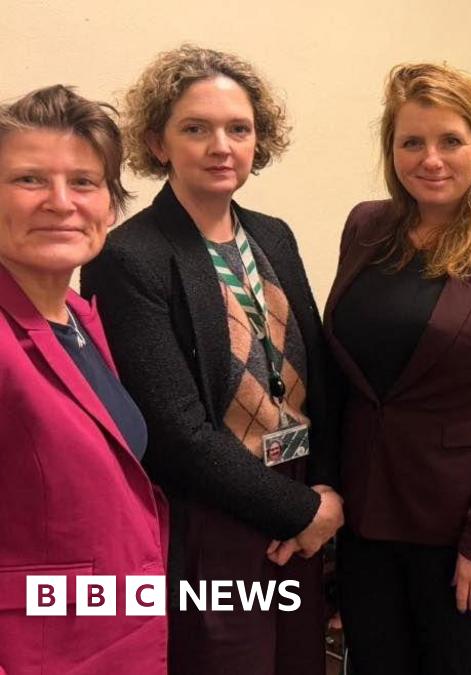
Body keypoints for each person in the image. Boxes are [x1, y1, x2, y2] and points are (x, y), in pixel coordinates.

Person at [80, 46, 340, 675]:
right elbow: (175, 434)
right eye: (196, 128)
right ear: (158, 143)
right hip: (213, 521)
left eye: (238, 129)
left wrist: (326, 496)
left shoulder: (273, 234)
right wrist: (307, 514)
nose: (220, 145)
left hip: (301, 501)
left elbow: (321, 378)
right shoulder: (128, 257)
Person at [325, 62, 471, 674]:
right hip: (363, 516)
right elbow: (340, 373)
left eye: (450, 140)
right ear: (392, 150)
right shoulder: (366, 226)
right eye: (412, 142)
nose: (430, 158)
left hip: (460, 530)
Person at [0, 85, 166, 674]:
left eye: (85, 182)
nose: (60, 202)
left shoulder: (78, 316)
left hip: (118, 639)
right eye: (28, 180)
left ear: (111, 206)